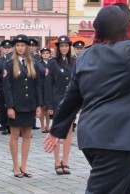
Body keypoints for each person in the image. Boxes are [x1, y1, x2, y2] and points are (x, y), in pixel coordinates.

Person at [44, 5, 130, 193]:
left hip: (95, 136)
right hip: (119, 138)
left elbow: (71, 97)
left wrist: (57, 130)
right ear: (126, 29)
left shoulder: (85, 55)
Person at [3, 34, 43, 178]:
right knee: (14, 135)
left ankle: (24, 166)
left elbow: (38, 85)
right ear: (15, 47)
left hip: (30, 105)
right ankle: (15, 166)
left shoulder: (33, 62)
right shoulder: (9, 63)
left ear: (27, 47)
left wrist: (39, 105)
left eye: (23, 45)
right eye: (18, 45)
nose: (20, 48)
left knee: (27, 135)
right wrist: (10, 107)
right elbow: (6, 87)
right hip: (16, 105)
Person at [45, 35, 76, 175]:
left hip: (70, 100)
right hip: (57, 100)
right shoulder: (52, 63)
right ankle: (57, 161)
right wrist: (49, 104)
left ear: (69, 47)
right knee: (56, 131)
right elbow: (48, 84)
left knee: (69, 131)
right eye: (61, 46)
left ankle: (66, 161)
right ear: (58, 48)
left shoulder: (74, 61)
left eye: (66, 46)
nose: (64, 48)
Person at [0, 40, 14, 135]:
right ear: (2, 49)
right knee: (2, 108)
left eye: (9, 48)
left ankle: (11, 125)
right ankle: (3, 125)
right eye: (5, 48)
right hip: (1, 88)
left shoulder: (14, 60)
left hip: (12, 88)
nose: (7, 50)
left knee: (11, 106)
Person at [38, 47, 52, 133]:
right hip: (42, 87)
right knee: (43, 107)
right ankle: (42, 125)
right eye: (44, 53)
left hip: (50, 87)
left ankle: (48, 125)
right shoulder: (38, 64)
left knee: (49, 108)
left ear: (50, 54)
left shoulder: (53, 63)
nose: (45, 55)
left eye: (47, 53)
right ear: (41, 54)